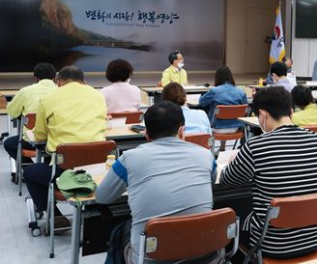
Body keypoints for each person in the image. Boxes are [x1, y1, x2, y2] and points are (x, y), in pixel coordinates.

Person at [96, 101, 216, 264]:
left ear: (146, 134)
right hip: (204, 254)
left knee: (120, 230)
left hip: (151, 258)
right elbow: (211, 182)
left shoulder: (128, 159)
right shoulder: (206, 156)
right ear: (182, 131)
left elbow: (102, 197)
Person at [220, 87, 317, 260]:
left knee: (227, 219)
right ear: (291, 112)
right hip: (316, 238)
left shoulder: (256, 146)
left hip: (273, 244)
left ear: (262, 115)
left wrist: (235, 161)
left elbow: (227, 180)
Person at [23, 66, 107, 226]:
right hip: (98, 168)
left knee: (30, 172)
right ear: (84, 82)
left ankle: (55, 217)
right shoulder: (98, 95)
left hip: (65, 171)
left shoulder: (49, 98)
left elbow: (39, 135)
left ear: (58, 82)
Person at [3, 62, 57, 161]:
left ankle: (29, 167)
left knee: (9, 144)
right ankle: (48, 164)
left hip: (33, 140)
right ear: (54, 78)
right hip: (58, 141)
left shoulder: (25, 91)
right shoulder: (62, 92)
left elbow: (12, 112)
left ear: (36, 78)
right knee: (52, 147)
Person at [199, 66, 248, 146]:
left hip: (217, 128)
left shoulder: (214, 91)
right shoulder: (240, 92)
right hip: (236, 128)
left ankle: (209, 147)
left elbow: (201, 102)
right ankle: (222, 147)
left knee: (210, 108)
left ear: (217, 77)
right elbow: (246, 108)